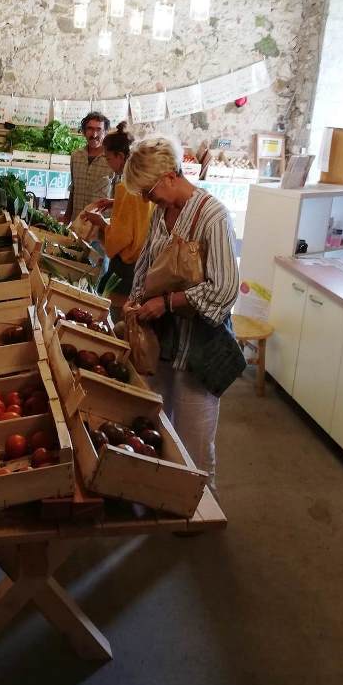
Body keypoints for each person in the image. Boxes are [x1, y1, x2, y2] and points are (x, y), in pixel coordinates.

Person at [123, 135, 242, 492]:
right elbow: (146, 263)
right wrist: (135, 299)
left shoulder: (213, 216)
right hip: (162, 343)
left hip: (198, 351)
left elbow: (224, 289)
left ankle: (199, 504)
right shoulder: (161, 213)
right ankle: (166, 494)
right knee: (159, 425)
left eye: (149, 191)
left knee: (194, 438)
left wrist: (168, 302)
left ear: (170, 175)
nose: (147, 200)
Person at [81, 122, 152, 312]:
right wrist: (115, 202)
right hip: (144, 261)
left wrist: (101, 223)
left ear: (120, 156)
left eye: (108, 158)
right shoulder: (141, 183)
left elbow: (121, 237)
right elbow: (139, 215)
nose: (108, 163)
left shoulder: (126, 187)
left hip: (127, 265)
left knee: (117, 313)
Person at [63, 111, 114, 225]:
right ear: (84, 131)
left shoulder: (112, 160)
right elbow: (73, 190)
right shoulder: (76, 156)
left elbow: (118, 198)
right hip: (77, 223)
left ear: (105, 132)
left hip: (100, 227)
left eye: (99, 129)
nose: (94, 134)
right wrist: (67, 217)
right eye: (90, 129)